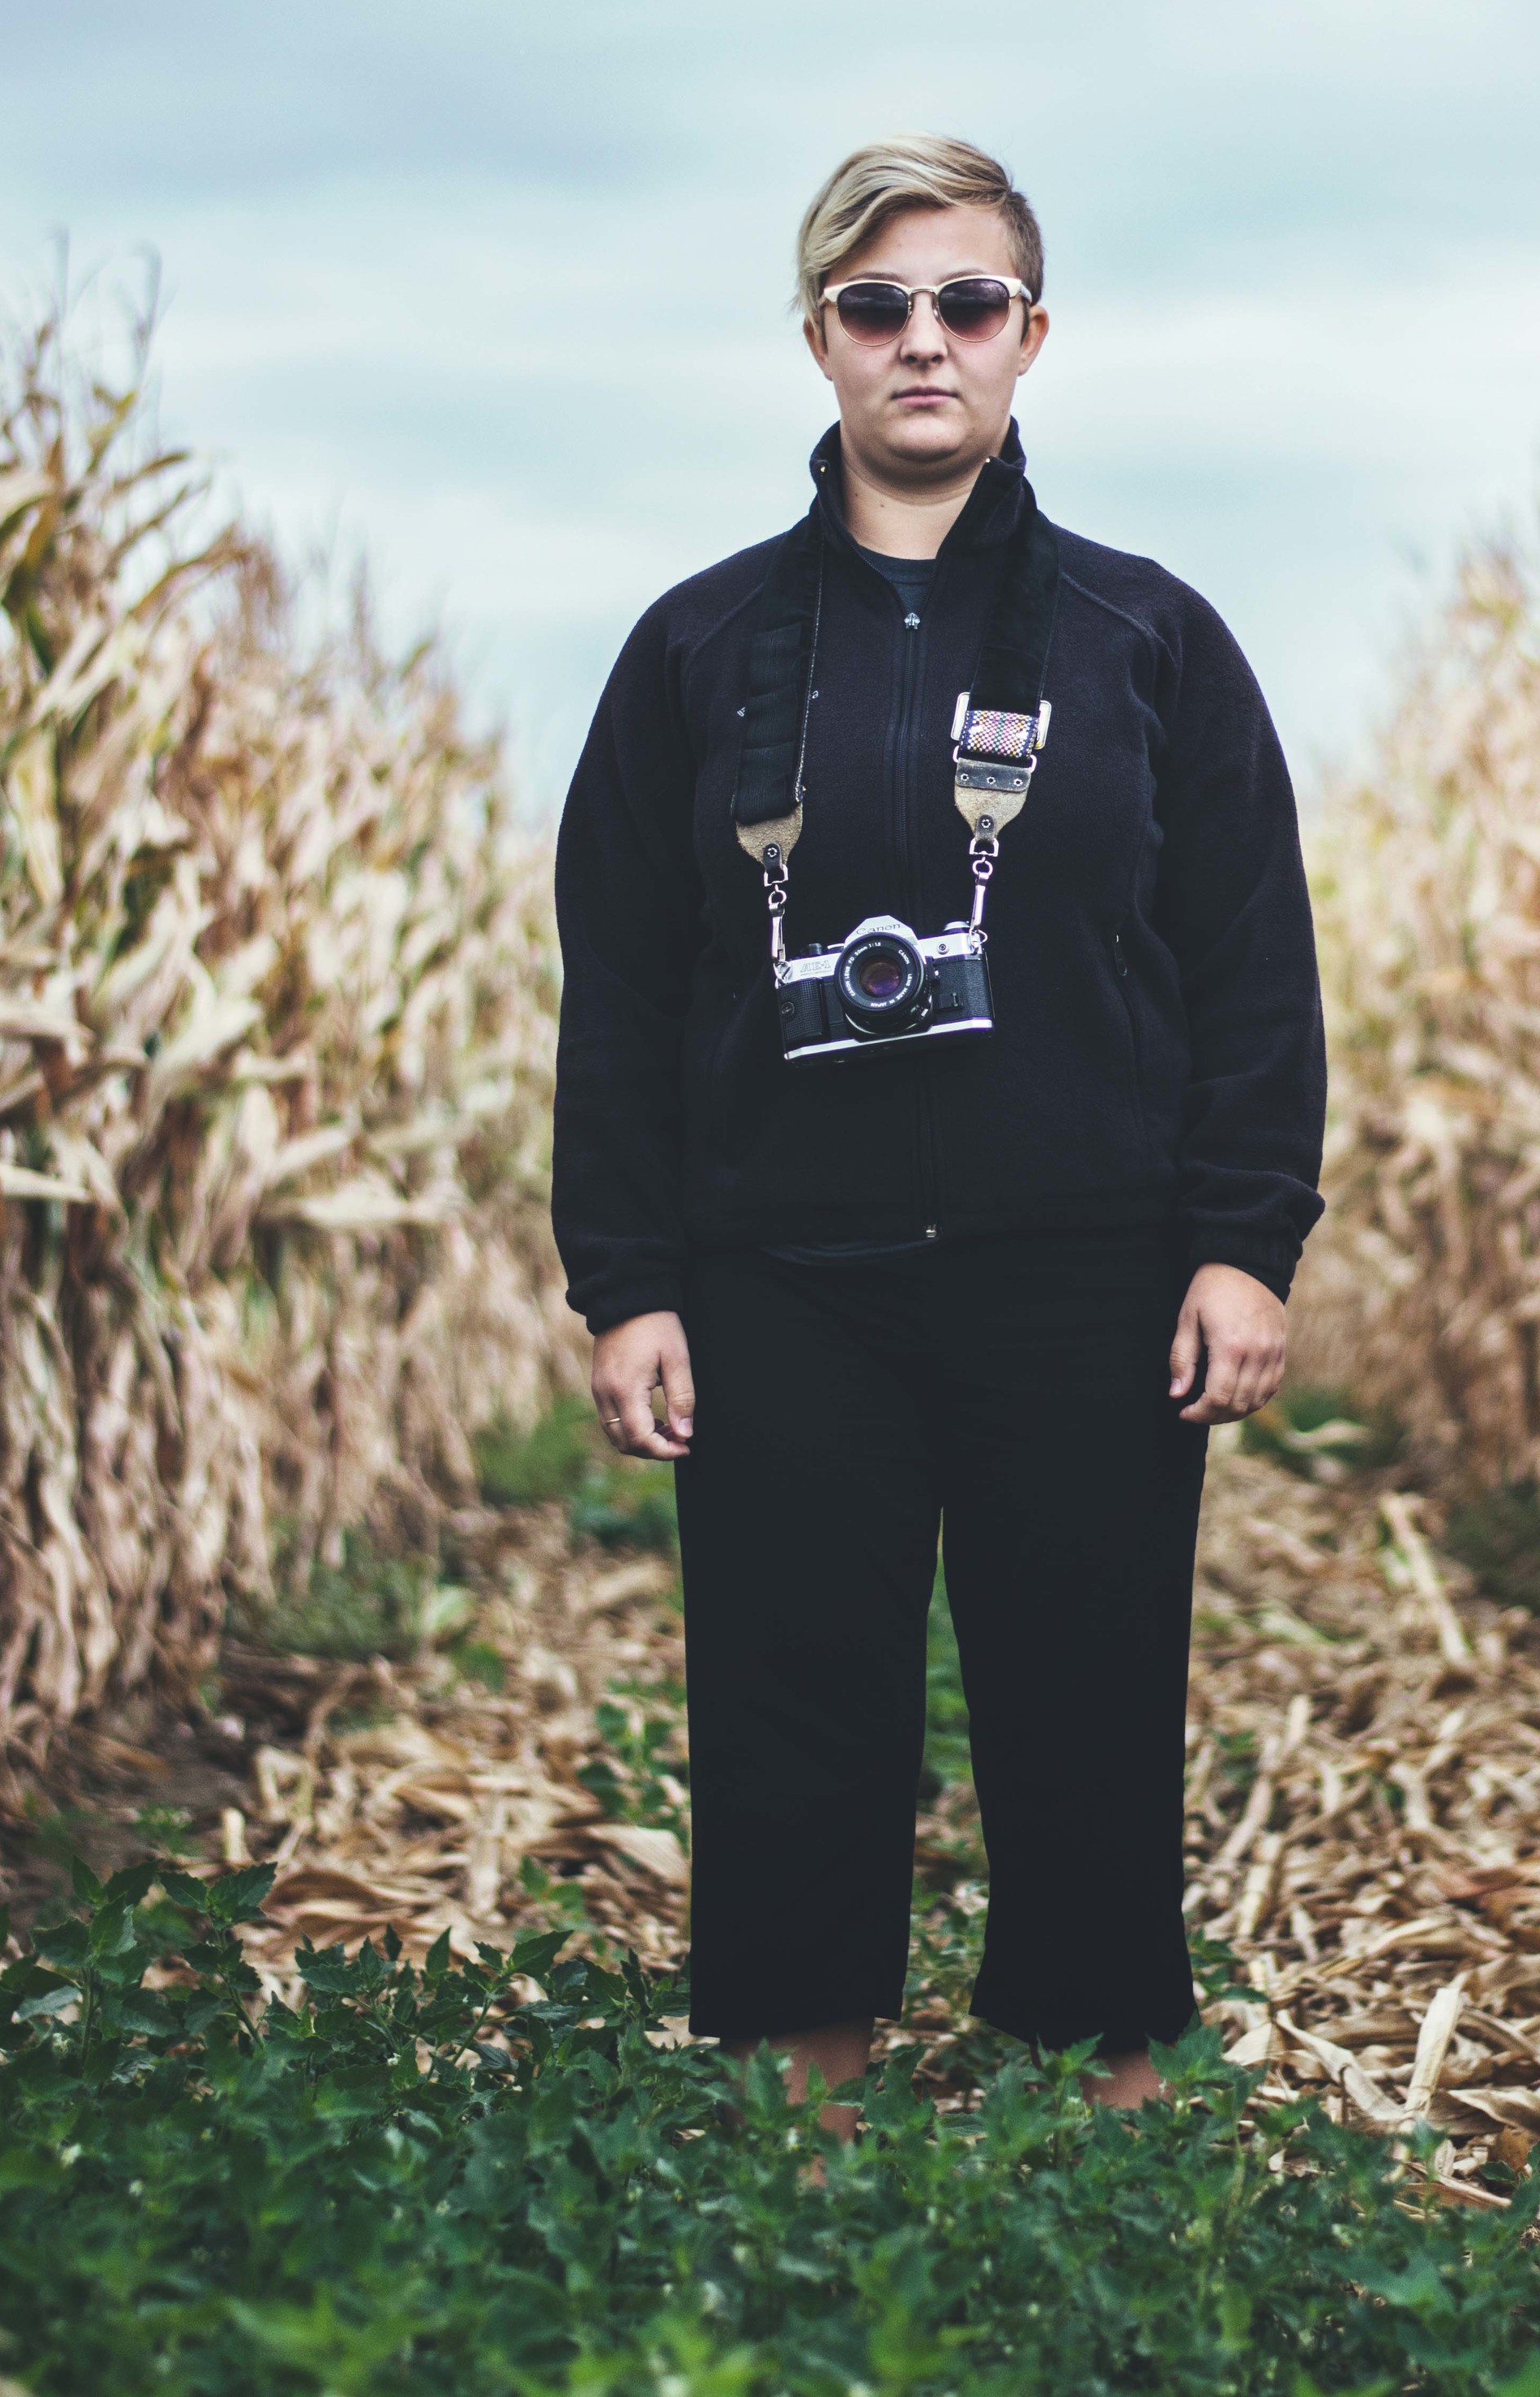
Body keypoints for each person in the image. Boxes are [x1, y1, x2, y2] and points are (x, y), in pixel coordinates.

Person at [553, 135, 1324, 2124]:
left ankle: (1108, 2101)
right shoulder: (697, 650)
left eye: (965, 304)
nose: (923, 343)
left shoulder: (1141, 639)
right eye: (878, 305)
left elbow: (1250, 959)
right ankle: (797, 2116)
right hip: (782, 1271)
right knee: (790, 1698)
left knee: (1085, 1690)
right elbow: (623, 988)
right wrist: (627, 1280)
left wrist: (1244, 1240)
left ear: (1028, 338)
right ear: (815, 337)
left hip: (1082, 1262)